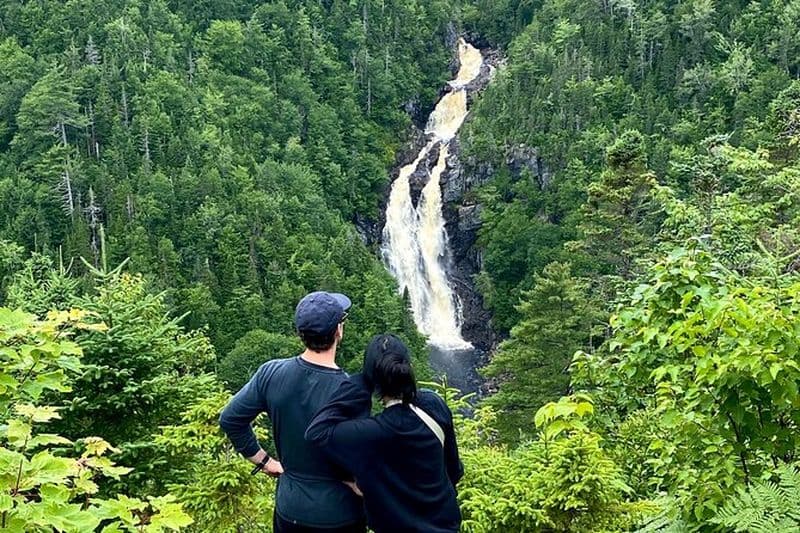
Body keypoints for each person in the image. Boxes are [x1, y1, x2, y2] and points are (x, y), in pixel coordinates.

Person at [219, 291, 367, 533]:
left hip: (291, 511)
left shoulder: (271, 373)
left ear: (300, 333)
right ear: (339, 331)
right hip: (340, 514)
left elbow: (231, 419)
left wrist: (265, 462)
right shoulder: (351, 393)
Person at [305, 334, 464, 533]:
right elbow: (455, 471)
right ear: (407, 367)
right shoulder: (434, 405)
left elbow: (317, 432)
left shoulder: (370, 433)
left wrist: (362, 382)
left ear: (373, 379)